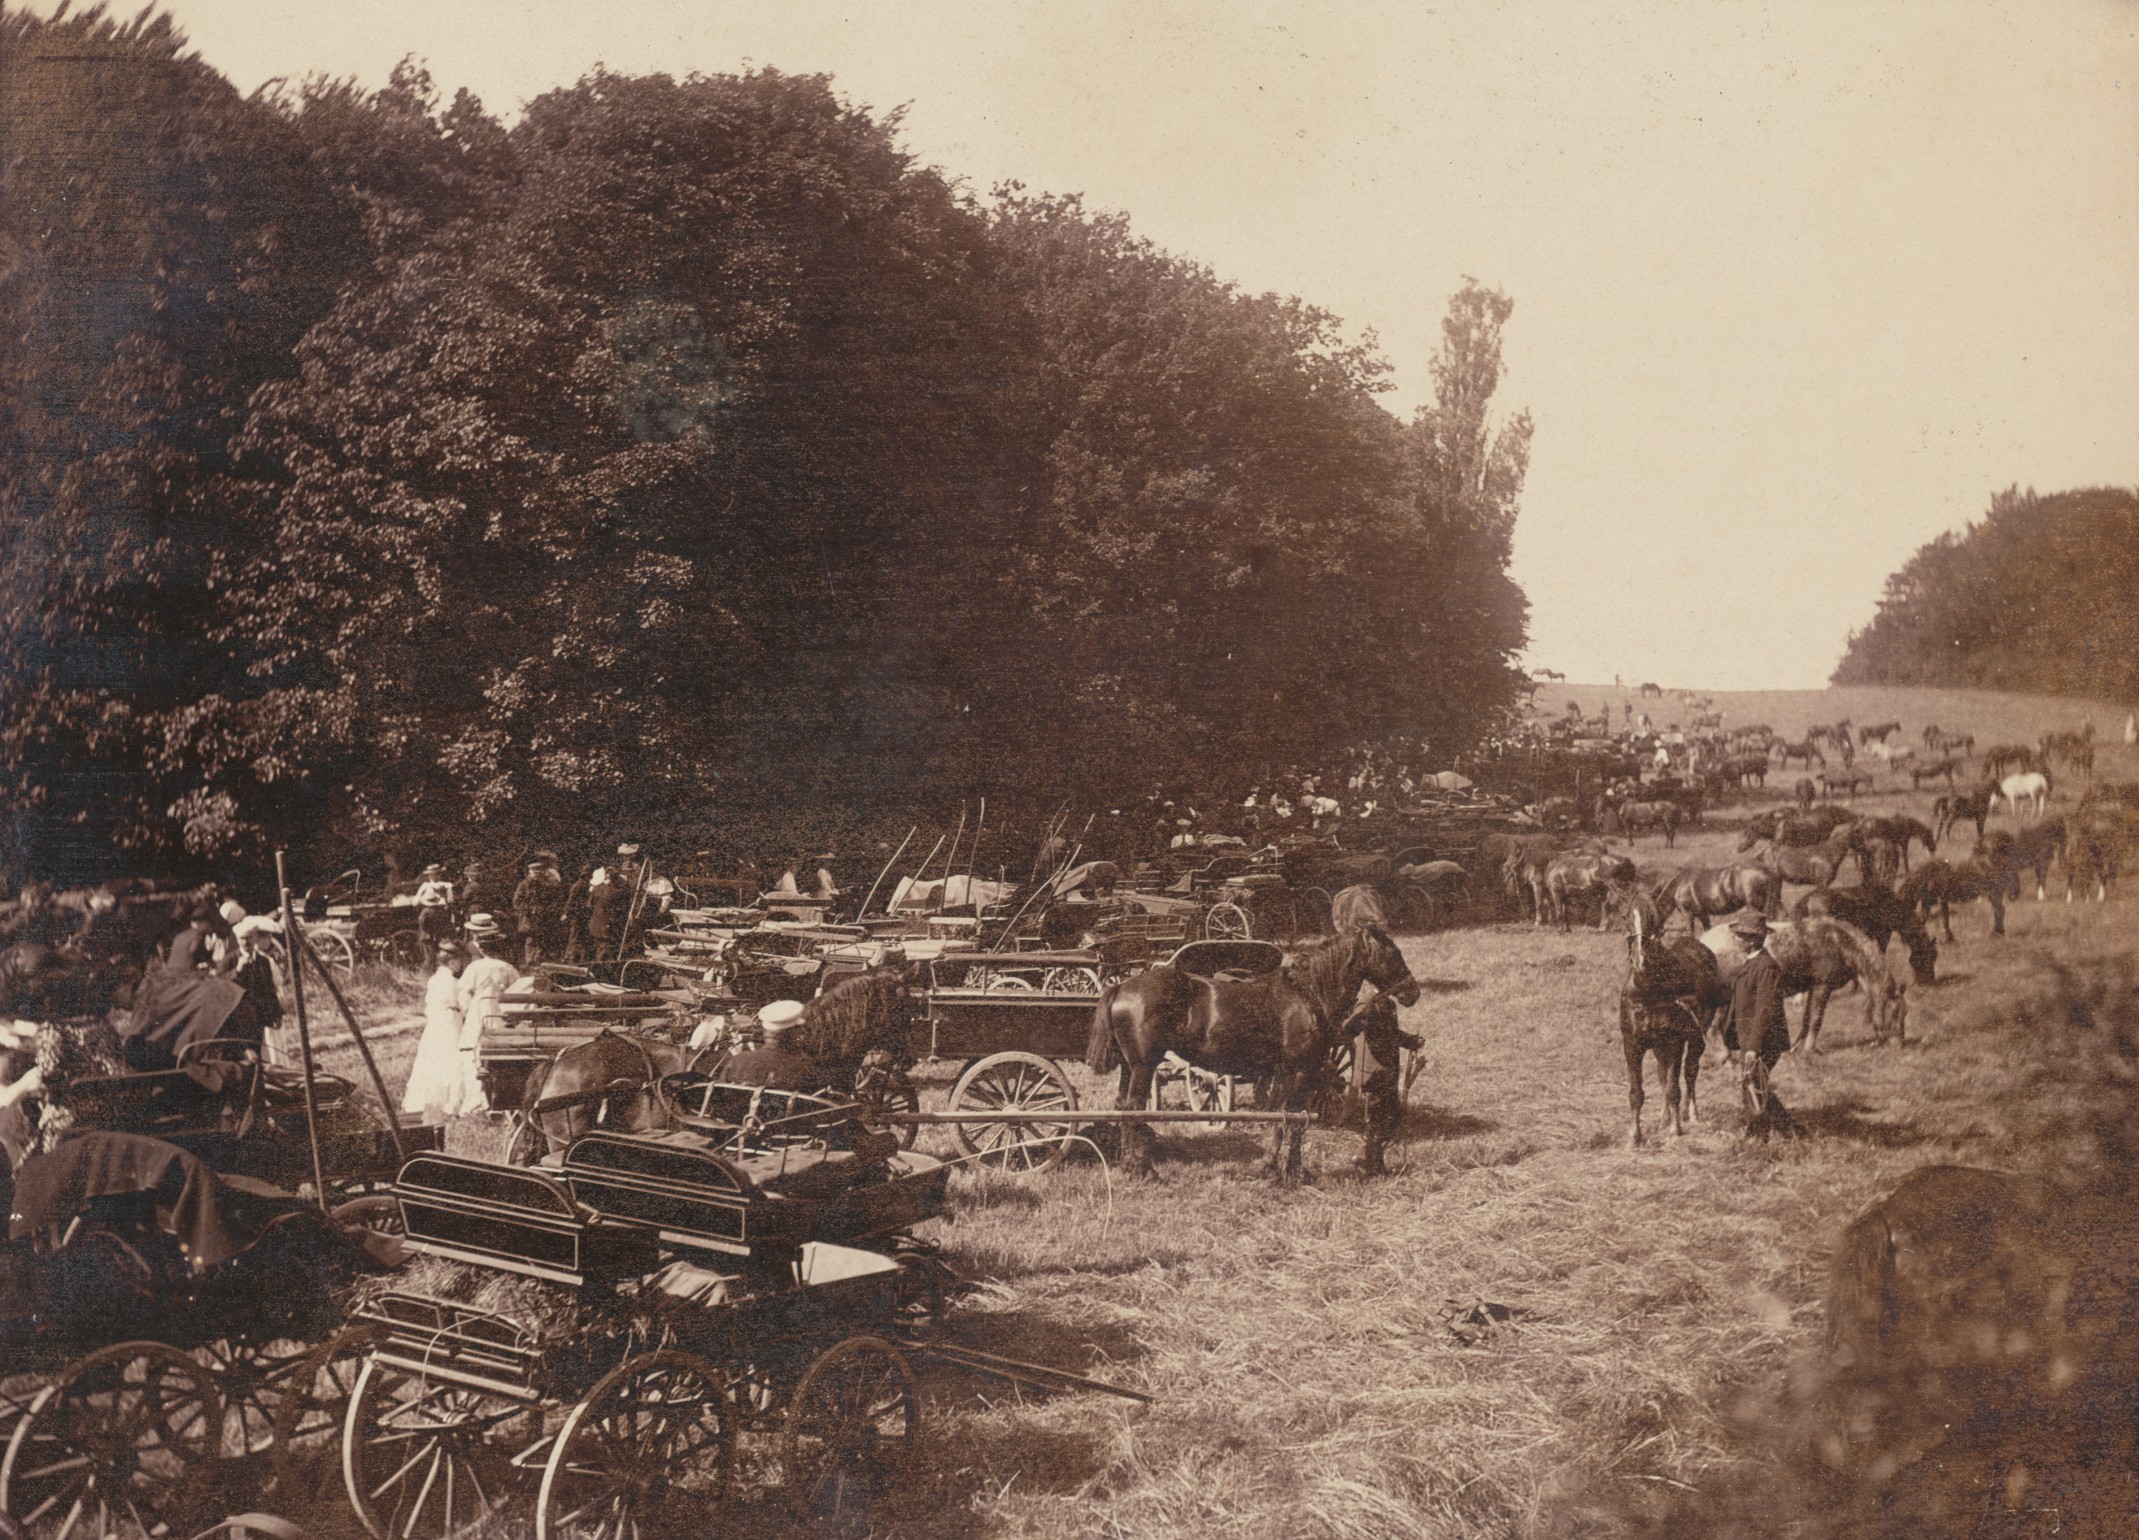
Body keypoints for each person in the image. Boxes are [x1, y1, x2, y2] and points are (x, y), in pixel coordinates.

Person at [1718, 908, 1795, 1137]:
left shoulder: (1766, 967)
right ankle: (1790, 1132)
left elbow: (1765, 1010)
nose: (1737, 938)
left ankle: (1758, 1138)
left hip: (1763, 1041)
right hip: (1749, 1040)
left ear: (1753, 941)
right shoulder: (1749, 965)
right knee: (1754, 1086)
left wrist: (1753, 1048)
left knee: (1754, 1086)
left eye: (1741, 936)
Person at [454, 916, 521, 1116]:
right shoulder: (508, 968)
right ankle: (501, 1101)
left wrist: (467, 1011)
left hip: (479, 1013)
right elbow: (517, 993)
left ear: (481, 947)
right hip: (500, 1014)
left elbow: (463, 995)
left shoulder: (474, 968)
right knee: (500, 1056)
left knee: (474, 1054)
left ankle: (477, 1102)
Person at [401, 940, 470, 1118]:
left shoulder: (435, 979)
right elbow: (460, 1003)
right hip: (449, 1021)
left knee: (434, 1059)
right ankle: (451, 1099)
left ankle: (436, 1099)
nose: (461, 965)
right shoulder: (451, 981)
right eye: (460, 962)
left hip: (435, 1024)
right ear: (453, 962)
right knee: (452, 1056)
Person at [719, 999, 816, 1090]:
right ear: (794, 1033)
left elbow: (718, 1097)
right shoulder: (805, 1068)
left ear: (766, 1031)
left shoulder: (738, 1060)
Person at [512, 851, 567, 968]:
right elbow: (517, 903)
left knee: (540, 940)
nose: (537, 874)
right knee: (530, 941)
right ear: (529, 872)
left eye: (539, 872)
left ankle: (538, 962)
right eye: (534, 872)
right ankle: (531, 963)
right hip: (528, 919)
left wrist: (547, 910)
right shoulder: (523, 885)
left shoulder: (543, 885)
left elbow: (549, 900)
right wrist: (530, 910)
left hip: (541, 918)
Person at [414, 864, 456, 969]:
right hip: (434, 916)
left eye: (436, 874)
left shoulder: (446, 885)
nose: (433, 876)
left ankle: (438, 968)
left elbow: (451, 901)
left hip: (440, 916)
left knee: (439, 947)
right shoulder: (426, 886)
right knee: (432, 947)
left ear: (439, 874)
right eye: (431, 874)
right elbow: (415, 901)